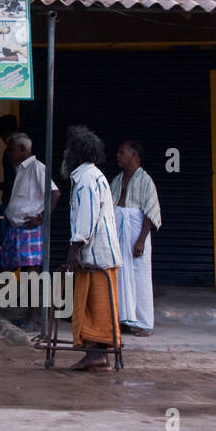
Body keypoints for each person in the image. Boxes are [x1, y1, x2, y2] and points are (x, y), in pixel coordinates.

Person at [62, 125, 124, 371]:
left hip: (95, 255)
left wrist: (73, 250)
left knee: (92, 307)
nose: (64, 152)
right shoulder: (91, 176)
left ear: (78, 153)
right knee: (96, 306)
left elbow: (86, 218)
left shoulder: (86, 179)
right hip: (100, 254)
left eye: (68, 149)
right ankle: (97, 355)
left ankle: (96, 354)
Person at [1, 132, 60, 332]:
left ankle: (36, 317)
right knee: (27, 274)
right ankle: (32, 315)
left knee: (32, 274)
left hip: (30, 229)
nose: (9, 154)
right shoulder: (22, 169)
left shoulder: (37, 168)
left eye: (12, 150)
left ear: (23, 150)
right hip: (19, 228)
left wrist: (41, 217)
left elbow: (55, 193)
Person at [111, 140, 161, 337]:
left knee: (139, 277)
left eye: (122, 152)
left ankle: (144, 323)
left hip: (136, 235)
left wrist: (141, 240)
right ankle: (124, 319)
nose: (118, 155)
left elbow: (150, 212)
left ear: (134, 155)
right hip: (119, 235)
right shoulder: (117, 180)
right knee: (119, 275)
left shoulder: (146, 181)